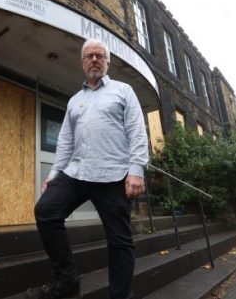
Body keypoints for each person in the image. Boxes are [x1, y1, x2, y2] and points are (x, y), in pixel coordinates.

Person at [26, 39, 149, 299]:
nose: (94, 59)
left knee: (120, 240)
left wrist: (136, 170)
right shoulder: (75, 101)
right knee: (46, 211)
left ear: (107, 62)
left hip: (114, 174)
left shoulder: (123, 90)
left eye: (99, 55)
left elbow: (137, 130)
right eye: (89, 56)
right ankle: (67, 282)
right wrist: (54, 174)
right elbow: (65, 141)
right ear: (82, 62)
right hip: (77, 173)